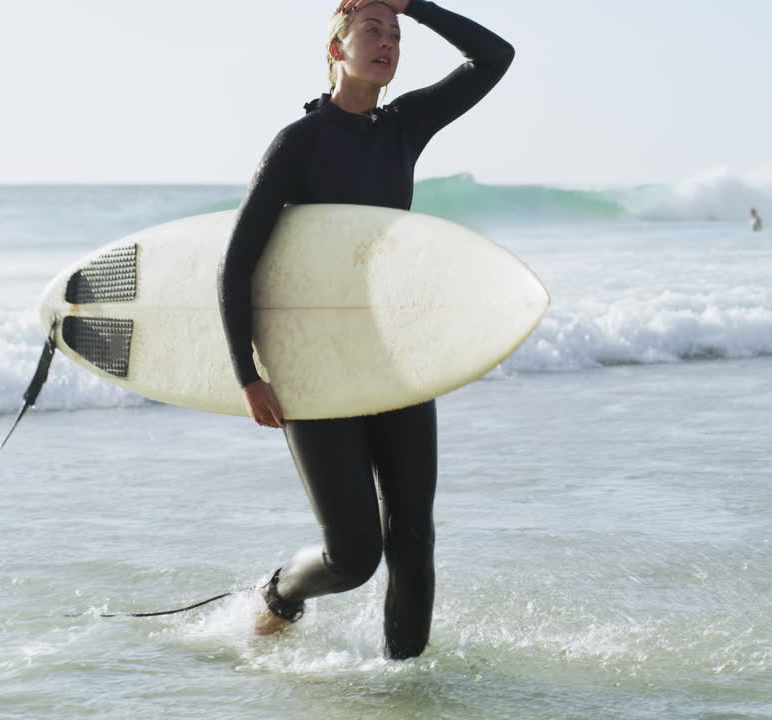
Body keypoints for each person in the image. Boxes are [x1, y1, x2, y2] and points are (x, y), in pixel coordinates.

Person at [217, 0, 513, 660]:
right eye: (372, 29)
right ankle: (280, 593)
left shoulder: (405, 125)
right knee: (353, 556)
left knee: (413, 535)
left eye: (396, 34)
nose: (388, 42)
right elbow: (237, 265)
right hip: (316, 369)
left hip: (393, 359)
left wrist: (414, 5)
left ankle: (405, 687)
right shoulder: (299, 144)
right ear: (336, 49)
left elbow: (494, 58)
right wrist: (247, 373)